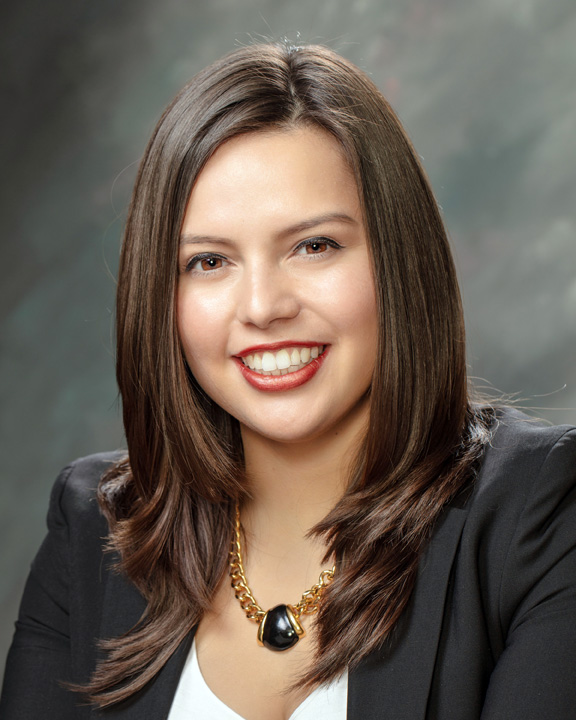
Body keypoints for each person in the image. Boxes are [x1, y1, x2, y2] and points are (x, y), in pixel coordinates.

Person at [1, 42, 575, 720]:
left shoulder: (540, 515)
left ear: (399, 258)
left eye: (314, 246)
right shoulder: (95, 529)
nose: (263, 306)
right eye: (209, 261)